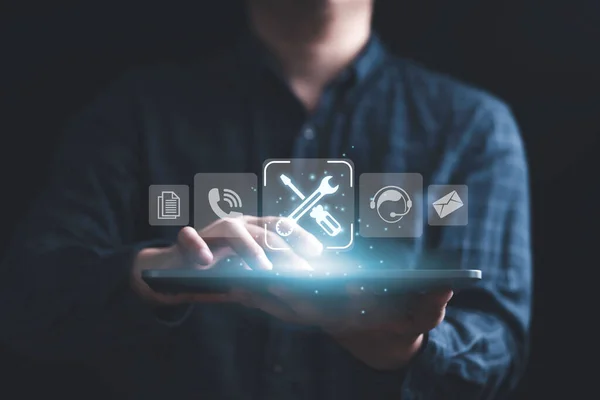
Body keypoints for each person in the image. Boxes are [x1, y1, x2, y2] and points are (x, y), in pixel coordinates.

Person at [0, 0, 532, 399]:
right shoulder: (134, 114)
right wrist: (159, 272)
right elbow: (30, 300)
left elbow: (499, 346)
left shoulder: (472, 129)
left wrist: (400, 346)